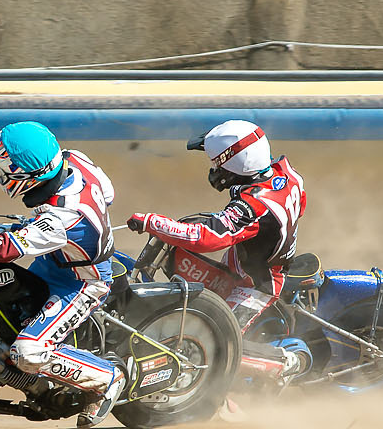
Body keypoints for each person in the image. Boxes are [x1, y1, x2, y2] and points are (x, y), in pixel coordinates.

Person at [0, 121, 127, 429]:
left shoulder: (62, 216)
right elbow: (109, 193)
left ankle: (108, 377)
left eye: (7, 171)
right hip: (58, 259)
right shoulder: (73, 158)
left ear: (31, 176)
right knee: (7, 329)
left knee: (27, 352)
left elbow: (1, 249)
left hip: (83, 282)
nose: (2, 177)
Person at [123, 118, 311, 381]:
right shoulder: (285, 174)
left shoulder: (254, 205)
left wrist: (151, 222)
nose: (214, 170)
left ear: (236, 162)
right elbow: (297, 206)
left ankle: (287, 362)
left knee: (215, 341)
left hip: (255, 285)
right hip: (240, 266)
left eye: (217, 163)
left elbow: (206, 238)